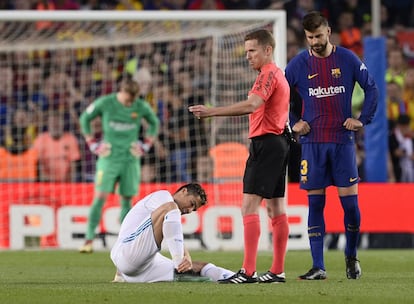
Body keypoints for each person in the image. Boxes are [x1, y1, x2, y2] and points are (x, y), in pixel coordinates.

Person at [189, 29, 290, 284]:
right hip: (278, 142)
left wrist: (211, 112)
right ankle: (277, 270)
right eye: (246, 52)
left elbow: (252, 105)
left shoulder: (268, 74)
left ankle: (248, 271)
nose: (247, 56)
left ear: (268, 50)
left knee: (249, 206)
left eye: (252, 51)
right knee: (276, 207)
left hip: (266, 144)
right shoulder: (277, 74)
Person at [285, 11, 378, 280]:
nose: (314, 41)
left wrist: (362, 120)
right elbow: (280, 96)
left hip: (342, 142)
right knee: (315, 205)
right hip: (312, 144)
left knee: (349, 206)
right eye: (310, 37)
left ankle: (351, 256)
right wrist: (294, 122)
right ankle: (319, 266)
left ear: (329, 31)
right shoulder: (298, 64)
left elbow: (371, 88)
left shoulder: (347, 58)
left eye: (318, 35)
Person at [78, 78, 160, 253]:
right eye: (128, 99)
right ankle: (88, 239)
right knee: (100, 197)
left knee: (127, 201)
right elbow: (85, 118)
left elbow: (154, 122)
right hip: (109, 157)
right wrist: (92, 142)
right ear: (121, 91)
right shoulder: (106, 103)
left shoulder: (140, 106)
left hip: (130, 159)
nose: (130, 103)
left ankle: (125, 242)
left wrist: (146, 144)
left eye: (133, 99)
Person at [110, 183, 235, 283]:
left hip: (139, 269)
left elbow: (173, 233)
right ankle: (179, 268)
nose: (190, 210)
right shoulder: (164, 197)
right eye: (192, 204)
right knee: (171, 207)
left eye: (194, 209)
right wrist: (181, 259)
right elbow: (132, 236)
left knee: (199, 267)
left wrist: (187, 257)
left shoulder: (168, 214)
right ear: (184, 191)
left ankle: (234, 277)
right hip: (126, 254)